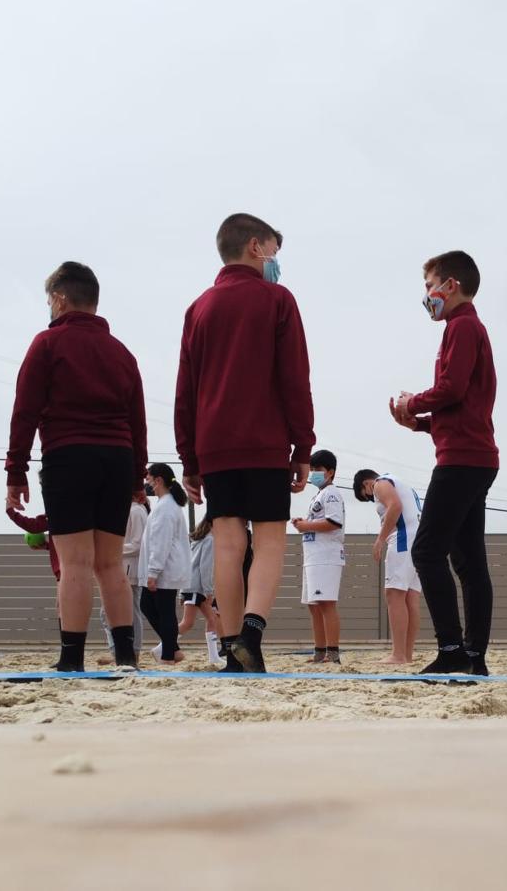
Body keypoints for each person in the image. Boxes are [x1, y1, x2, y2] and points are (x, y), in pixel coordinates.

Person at [176, 213, 315, 673]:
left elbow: (186, 389)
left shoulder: (198, 308)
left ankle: (231, 646)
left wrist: (189, 458)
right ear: (256, 246)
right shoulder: (277, 300)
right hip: (264, 440)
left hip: (215, 445)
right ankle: (252, 636)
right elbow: (295, 377)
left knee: (229, 544)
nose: (277, 258)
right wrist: (302, 446)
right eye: (275, 247)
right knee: (270, 540)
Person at [5, 262, 147, 672]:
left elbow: (25, 411)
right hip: (117, 459)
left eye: (49, 299)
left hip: (69, 456)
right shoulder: (122, 352)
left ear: (61, 298)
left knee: (75, 564)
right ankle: (125, 657)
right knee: (109, 564)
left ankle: (71, 659)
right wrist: (137, 477)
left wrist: (16, 470)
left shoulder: (47, 344)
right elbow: (137, 421)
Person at [390, 251, 499, 676]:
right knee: (469, 562)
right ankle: (474, 657)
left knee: (426, 550)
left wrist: (410, 402)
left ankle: (453, 648)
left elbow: (451, 388)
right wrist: (419, 423)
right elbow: (463, 404)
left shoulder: (463, 326)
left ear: (449, 285)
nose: (427, 296)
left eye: (429, 286)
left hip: (461, 460)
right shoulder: (468, 327)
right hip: (474, 454)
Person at [353, 469, 422, 665]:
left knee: (394, 594)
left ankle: (398, 654)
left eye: (366, 495)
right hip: (418, 539)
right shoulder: (401, 481)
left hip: (402, 539)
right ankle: (406, 655)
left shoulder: (380, 483)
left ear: (366, 484)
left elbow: (395, 506)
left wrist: (380, 539)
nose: (371, 498)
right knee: (411, 596)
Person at [292, 450, 345, 664]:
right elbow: (318, 521)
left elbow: (334, 522)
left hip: (326, 555)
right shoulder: (319, 495)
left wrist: (305, 526)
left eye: (318, 470)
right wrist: (304, 523)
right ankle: (319, 651)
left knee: (325, 603)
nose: (313, 473)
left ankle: (332, 653)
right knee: (313, 605)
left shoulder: (331, 493)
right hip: (313, 556)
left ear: (330, 472)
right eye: (311, 469)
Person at [137, 463, 191, 664]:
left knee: (164, 610)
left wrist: (153, 571)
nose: (147, 484)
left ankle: (168, 655)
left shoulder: (166, 507)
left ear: (158, 480)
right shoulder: (165, 504)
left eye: (149, 479)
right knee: (149, 606)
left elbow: (161, 542)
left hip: (165, 569)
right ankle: (173, 649)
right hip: (164, 568)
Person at [96, 490, 148, 666]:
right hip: (122, 565)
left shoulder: (136, 511)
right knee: (109, 612)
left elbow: (138, 544)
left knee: (130, 612)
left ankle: (132, 652)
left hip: (129, 568)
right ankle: (119, 651)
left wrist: (113, 549)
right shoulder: (127, 511)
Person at [178, 514, 225, 667]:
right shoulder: (210, 540)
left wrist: (181, 591)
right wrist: (209, 591)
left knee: (211, 619)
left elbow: (187, 565)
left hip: (192, 586)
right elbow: (205, 568)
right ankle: (164, 646)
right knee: (187, 623)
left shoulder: (198, 540)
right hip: (197, 588)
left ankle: (213, 657)